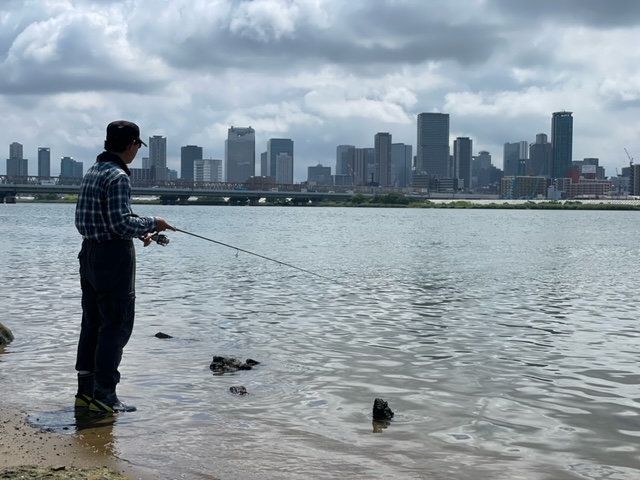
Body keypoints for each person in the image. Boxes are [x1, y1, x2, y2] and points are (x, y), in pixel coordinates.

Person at [74, 120, 175, 413]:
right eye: (137, 146)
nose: (136, 152)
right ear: (131, 145)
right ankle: (105, 396)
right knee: (115, 326)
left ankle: (86, 393)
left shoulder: (93, 171)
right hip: (113, 259)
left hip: (89, 255)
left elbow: (97, 218)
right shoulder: (118, 176)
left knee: (92, 323)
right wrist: (153, 223)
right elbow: (119, 221)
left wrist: (141, 232)